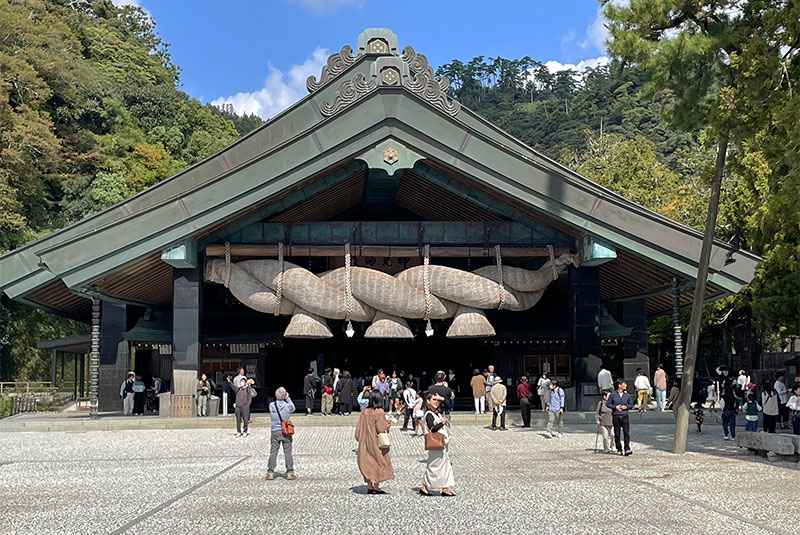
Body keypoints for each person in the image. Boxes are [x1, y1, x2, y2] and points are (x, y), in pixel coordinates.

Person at [354, 391, 394, 494]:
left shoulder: (364, 412)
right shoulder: (379, 412)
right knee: (378, 461)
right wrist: (388, 424)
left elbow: (359, 428)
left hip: (364, 440)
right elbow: (380, 428)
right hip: (375, 441)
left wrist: (359, 437)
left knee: (368, 462)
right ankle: (376, 486)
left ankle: (370, 486)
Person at [419, 393, 455, 497]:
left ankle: (444, 487)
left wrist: (441, 398)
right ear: (428, 401)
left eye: (437, 400)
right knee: (434, 465)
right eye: (434, 400)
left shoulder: (437, 413)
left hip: (442, 442)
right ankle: (425, 486)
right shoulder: (429, 414)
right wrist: (442, 423)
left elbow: (448, 405)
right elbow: (432, 429)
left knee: (445, 465)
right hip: (435, 443)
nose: (436, 402)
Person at [266, 387, 296, 480]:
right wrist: (288, 398)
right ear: (285, 395)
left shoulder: (272, 405)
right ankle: (290, 472)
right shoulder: (287, 406)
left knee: (273, 451)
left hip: (275, 430)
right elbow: (293, 408)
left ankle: (270, 472)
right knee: (288, 452)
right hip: (285, 430)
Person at [607, 380, 634, 455]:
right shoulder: (613, 394)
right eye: (624, 384)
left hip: (625, 415)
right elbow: (608, 404)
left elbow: (631, 404)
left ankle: (627, 448)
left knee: (626, 433)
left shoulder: (627, 395)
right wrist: (615, 407)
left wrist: (626, 407)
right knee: (617, 433)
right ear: (619, 385)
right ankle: (619, 448)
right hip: (616, 416)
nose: (626, 385)